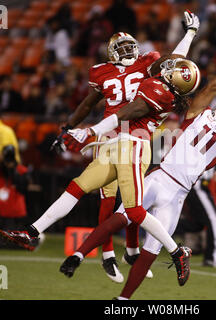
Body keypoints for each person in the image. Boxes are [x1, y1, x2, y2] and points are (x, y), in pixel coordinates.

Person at [59, 41, 216, 300]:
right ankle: (78, 255)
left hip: (179, 194)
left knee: (152, 249)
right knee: (120, 216)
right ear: (215, 107)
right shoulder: (198, 114)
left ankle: (123, 299)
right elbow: (214, 85)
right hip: (159, 176)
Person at [0, 56, 201, 287]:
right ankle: (32, 232)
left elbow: (126, 113)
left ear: (174, 79)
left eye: (174, 70)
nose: (168, 67)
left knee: (134, 211)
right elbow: (177, 58)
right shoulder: (165, 87)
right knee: (77, 186)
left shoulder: (160, 91)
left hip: (134, 147)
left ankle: (177, 252)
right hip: (117, 144)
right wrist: (190, 33)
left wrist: (90, 132)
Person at [54, 11, 200, 283]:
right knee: (109, 199)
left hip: (138, 134)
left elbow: (175, 62)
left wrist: (189, 34)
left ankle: (131, 250)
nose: (127, 50)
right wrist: (69, 126)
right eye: (121, 48)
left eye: (130, 45)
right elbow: (87, 104)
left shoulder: (148, 63)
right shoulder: (101, 72)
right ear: (111, 53)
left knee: (135, 198)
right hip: (112, 133)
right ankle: (108, 255)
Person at [0, 145, 30, 232]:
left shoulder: (20, 170)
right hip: (4, 209)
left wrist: (13, 170)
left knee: (14, 237)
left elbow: (23, 188)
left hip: (15, 210)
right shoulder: (2, 169)